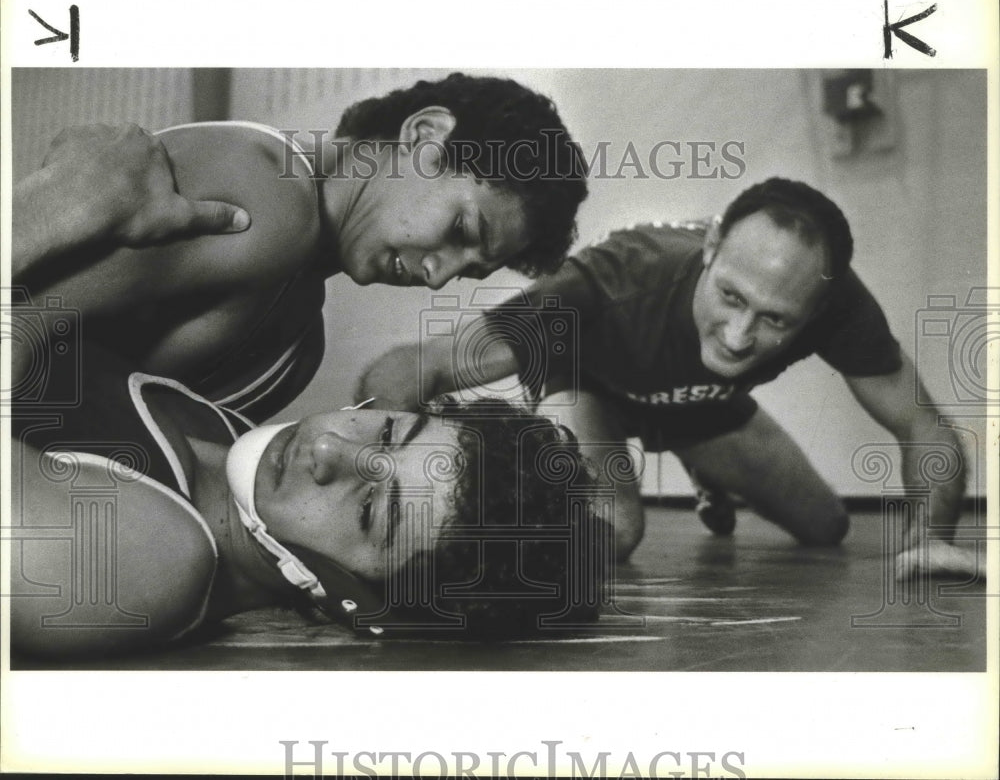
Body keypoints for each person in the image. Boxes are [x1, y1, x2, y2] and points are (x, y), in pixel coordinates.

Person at [7, 142, 607, 659]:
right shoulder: (222, 425)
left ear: (354, 597)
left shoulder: (157, 565)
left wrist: (55, 205)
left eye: (369, 509)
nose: (327, 449)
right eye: (387, 433)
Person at [356, 178, 982, 580]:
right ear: (711, 247)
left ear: (818, 308)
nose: (738, 336)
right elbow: (419, 365)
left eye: (774, 320)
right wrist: (370, 466)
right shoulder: (609, 283)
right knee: (612, 536)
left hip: (696, 405)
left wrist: (932, 538)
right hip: (592, 388)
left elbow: (922, 424)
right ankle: (649, 459)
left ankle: (697, 460)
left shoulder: (841, 307)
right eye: (730, 297)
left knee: (827, 525)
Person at [13, 73, 588, 421]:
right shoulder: (270, 195)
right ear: (424, 136)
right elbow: (16, 325)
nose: (438, 277)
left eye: (467, 272)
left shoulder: (299, 350)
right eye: (461, 231)